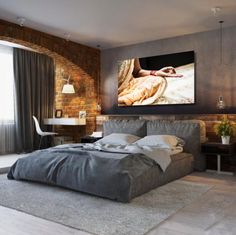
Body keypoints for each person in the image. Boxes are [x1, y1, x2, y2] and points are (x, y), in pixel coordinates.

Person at [118, 58, 183, 106]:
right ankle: (122, 100)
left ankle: (125, 100)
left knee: (159, 80)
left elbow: (137, 72)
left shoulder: (132, 49)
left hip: (130, 85)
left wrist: (156, 72)